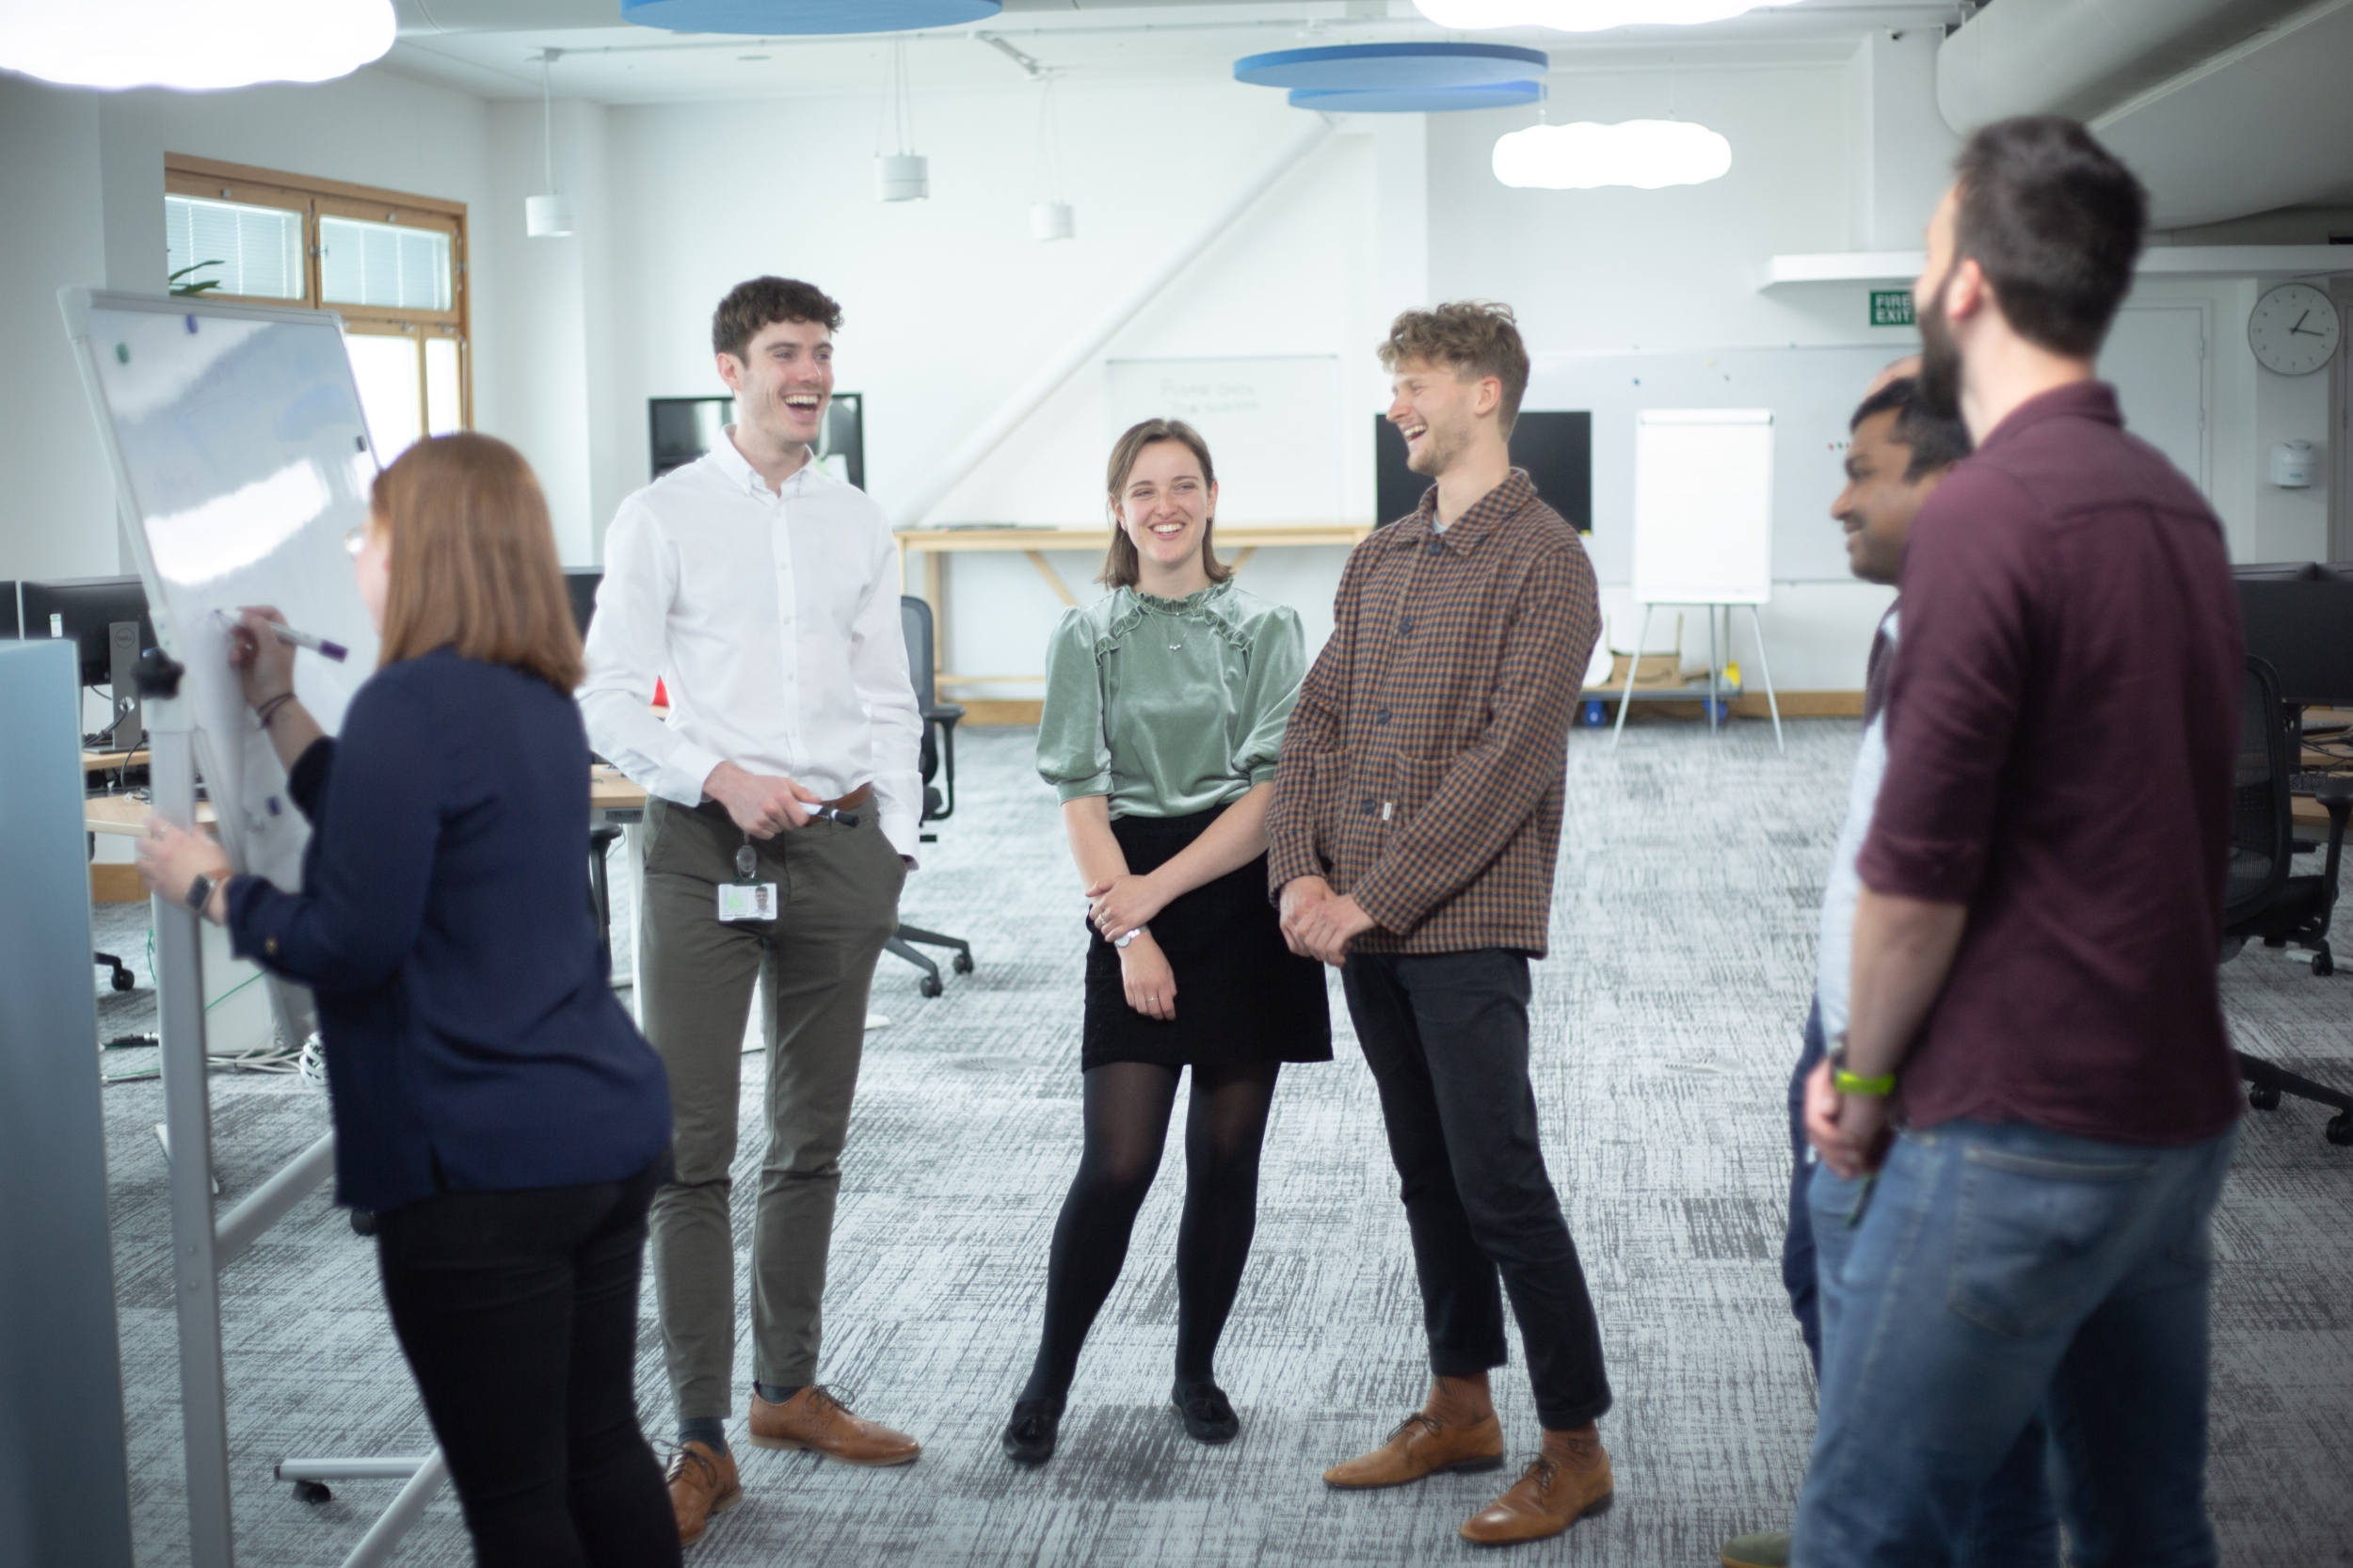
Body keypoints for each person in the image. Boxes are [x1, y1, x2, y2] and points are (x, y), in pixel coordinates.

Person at [1793, 117, 2244, 1567]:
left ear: (1971, 284)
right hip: (2169, 1122)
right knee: (2138, 1529)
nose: (1924, 278)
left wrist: (1859, 1081)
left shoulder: (1987, 511)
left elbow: (1916, 876)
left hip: (2012, 1129)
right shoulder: (2169, 503)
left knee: (1868, 1530)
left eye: (1929, 250)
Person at [136, 434, 680, 1568]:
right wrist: (280, 703)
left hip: (483, 1166)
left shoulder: (407, 705)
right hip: (602, 1130)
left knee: (518, 1504)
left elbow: (347, 938)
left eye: (371, 532)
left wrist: (210, 885)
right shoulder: (529, 700)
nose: (357, 553)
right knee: (598, 1451)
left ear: (422, 551)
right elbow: (391, 812)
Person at [577, 276, 924, 1545]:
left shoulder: (855, 516)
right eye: (787, 351)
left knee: (812, 1136)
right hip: (700, 848)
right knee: (689, 1146)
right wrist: (714, 773)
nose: (811, 372)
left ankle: (786, 1389)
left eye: (824, 352)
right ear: (730, 365)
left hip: (840, 850)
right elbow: (607, 695)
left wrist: (893, 841)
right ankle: (700, 1435)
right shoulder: (660, 514)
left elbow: (886, 689)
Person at [1268, 301, 1614, 1547]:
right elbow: (1312, 726)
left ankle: (1573, 1441)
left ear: (1483, 393)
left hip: (1463, 925)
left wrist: (1373, 893)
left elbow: (1510, 759)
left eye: (1412, 383)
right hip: (1357, 928)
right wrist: (1301, 879)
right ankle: (1460, 1401)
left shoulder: (1549, 561)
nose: (1396, 406)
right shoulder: (1383, 556)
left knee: (1499, 1178)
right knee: (1428, 1177)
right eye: (1392, 385)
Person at [1721, 374, 2031, 1568]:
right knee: (1826, 1271)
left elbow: (1939, 882)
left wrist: (1864, 1068)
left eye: (1866, 471)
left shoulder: (1976, 626)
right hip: (1855, 999)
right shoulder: (1912, 617)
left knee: (1933, 1320)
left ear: (1948, 483)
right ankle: (1855, 1517)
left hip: (1915, 1025)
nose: (1839, 500)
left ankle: (1898, 1533)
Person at [1005, 417, 1332, 1465]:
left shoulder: (1266, 624)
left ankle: (1195, 1369)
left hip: (1240, 894)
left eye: (1183, 484)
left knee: (1226, 1158)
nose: (1165, 505)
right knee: (1119, 1162)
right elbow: (1080, 794)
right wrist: (1132, 922)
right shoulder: (1085, 632)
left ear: (1211, 497)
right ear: (1117, 508)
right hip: (1126, 890)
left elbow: (1271, 793)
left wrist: (1160, 890)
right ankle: (1048, 1375)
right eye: (1143, 488)